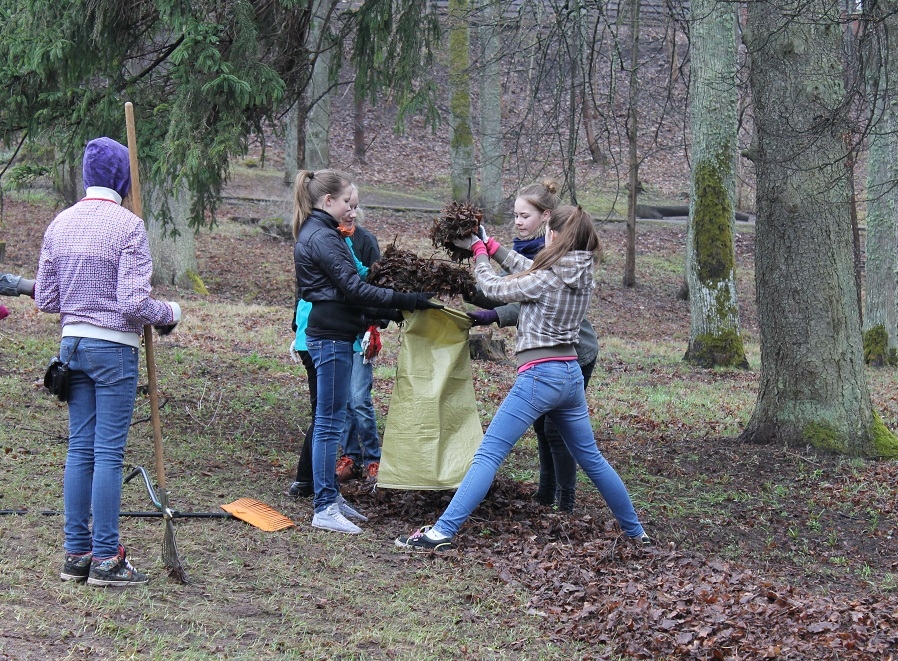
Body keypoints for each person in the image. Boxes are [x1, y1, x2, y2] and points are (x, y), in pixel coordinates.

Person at [395, 205, 650, 551]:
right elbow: (527, 269)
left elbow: (493, 287)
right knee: (592, 459)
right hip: (570, 376)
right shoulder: (580, 271)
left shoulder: (548, 277)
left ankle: (441, 532)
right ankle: (637, 533)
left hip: (540, 377)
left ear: (556, 236)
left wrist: (478, 252)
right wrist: (491, 243)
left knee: (488, 455)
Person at [34, 137, 182, 586]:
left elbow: (45, 298)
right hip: (114, 348)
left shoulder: (60, 223)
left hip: (71, 345)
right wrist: (170, 314)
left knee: (80, 449)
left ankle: (76, 554)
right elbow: (134, 301)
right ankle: (105, 560)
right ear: (124, 178)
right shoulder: (128, 226)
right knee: (107, 453)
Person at [292, 169, 441, 534]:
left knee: (333, 418)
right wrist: (406, 301)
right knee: (329, 423)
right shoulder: (321, 237)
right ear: (328, 201)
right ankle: (324, 505)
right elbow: (354, 289)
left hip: (341, 333)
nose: (351, 210)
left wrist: (395, 309)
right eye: (347, 202)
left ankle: (331, 498)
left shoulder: (329, 234)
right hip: (328, 339)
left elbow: (360, 281)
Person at [467, 180, 598, 512]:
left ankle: (564, 499)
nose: (518, 222)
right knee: (549, 429)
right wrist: (489, 245)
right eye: (515, 215)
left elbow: (515, 291)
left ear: (547, 220)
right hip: (555, 355)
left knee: (555, 431)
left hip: (568, 353)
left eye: (524, 215)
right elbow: (523, 273)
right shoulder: (564, 256)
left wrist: (489, 308)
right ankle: (548, 492)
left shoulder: (552, 254)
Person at [333, 187, 385, 483]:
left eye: (355, 206)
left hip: (361, 334)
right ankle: (350, 455)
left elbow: (377, 285)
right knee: (342, 400)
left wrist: (374, 325)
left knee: (359, 398)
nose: (351, 212)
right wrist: (297, 327)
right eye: (347, 205)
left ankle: (373, 459)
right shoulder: (328, 239)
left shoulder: (366, 241)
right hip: (334, 331)